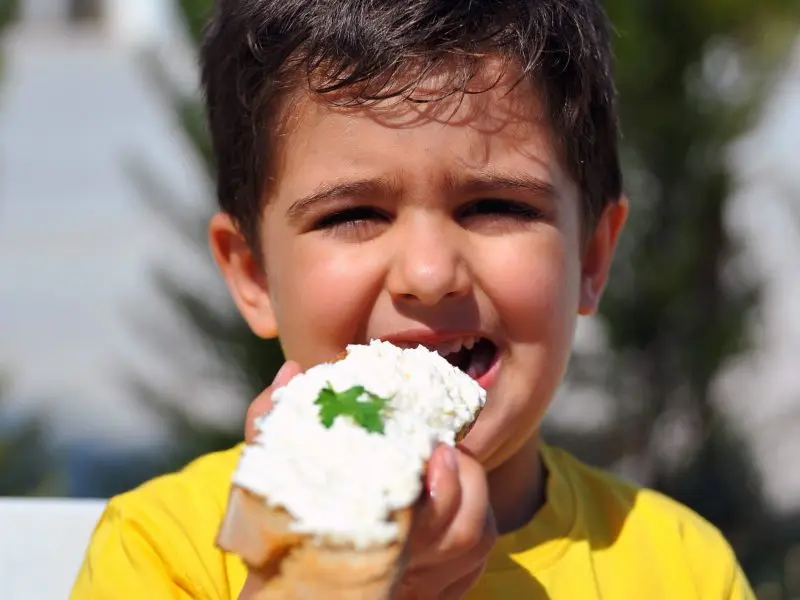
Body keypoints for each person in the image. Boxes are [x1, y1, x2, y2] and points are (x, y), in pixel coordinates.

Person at [70, 0, 756, 598]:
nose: (428, 275)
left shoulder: (681, 568)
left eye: (494, 205)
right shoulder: (164, 551)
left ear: (592, 257)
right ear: (254, 276)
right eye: (353, 214)